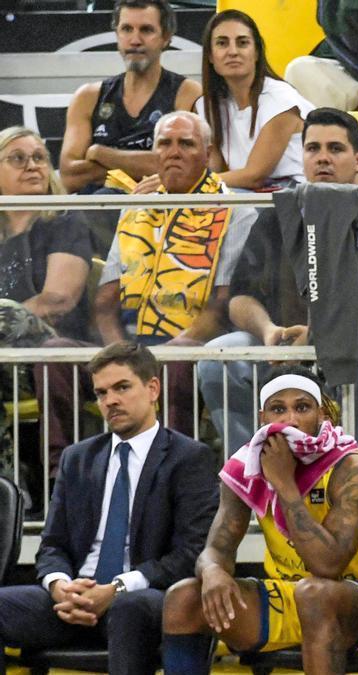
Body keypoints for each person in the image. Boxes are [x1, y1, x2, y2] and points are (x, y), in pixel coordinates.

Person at [36, 111, 255, 464]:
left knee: (176, 362)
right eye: (165, 143)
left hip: (189, 340)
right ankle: (60, 475)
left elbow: (220, 304)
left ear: (207, 153)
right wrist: (118, 355)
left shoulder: (237, 209)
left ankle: (169, 472)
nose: (174, 152)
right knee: (55, 352)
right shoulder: (136, 205)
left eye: (186, 143)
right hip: (127, 343)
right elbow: (106, 302)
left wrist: (169, 349)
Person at [197, 107, 358, 454]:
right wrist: (269, 331)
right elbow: (241, 297)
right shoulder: (277, 214)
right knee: (217, 356)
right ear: (301, 156)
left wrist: (321, 334)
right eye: (313, 148)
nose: (323, 158)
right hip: (284, 342)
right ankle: (252, 469)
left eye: (336, 148)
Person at [0, 341, 218, 675]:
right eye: (101, 393)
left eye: (122, 387)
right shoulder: (78, 458)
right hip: (74, 599)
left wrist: (117, 588)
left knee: (130, 606)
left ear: (153, 388)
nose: (110, 401)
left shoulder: (189, 458)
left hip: (144, 597)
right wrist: (60, 586)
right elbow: (53, 544)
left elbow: (191, 554)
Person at [161, 365, 358, 674]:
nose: (291, 420)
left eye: (302, 407)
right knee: (183, 598)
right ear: (263, 419)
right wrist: (213, 571)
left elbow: (328, 567)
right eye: (278, 409)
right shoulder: (247, 466)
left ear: (322, 414)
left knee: (315, 594)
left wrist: (285, 484)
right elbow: (216, 548)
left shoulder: (352, 470)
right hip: (288, 595)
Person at [59, 0, 201, 194]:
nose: (135, 40)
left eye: (146, 30)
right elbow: (70, 176)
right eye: (126, 29)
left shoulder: (187, 93)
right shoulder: (88, 97)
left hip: (159, 215)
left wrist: (100, 153)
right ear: (117, 34)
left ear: (166, 38)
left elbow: (187, 170)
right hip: (96, 213)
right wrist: (146, 166)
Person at [196, 10, 316, 191]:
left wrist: (192, 183)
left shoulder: (280, 99)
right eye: (222, 43)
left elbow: (255, 176)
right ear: (211, 56)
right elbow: (215, 170)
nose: (233, 51)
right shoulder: (207, 105)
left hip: (293, 193)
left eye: (242, 43)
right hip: (245, 193)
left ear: (257, 52)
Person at [0, 127, 92, 345]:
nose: (32, 166)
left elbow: (57, 301)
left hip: (51, 343)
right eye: (18, 158)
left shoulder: (65, 220)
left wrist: (6, 320)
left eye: (39, 158)